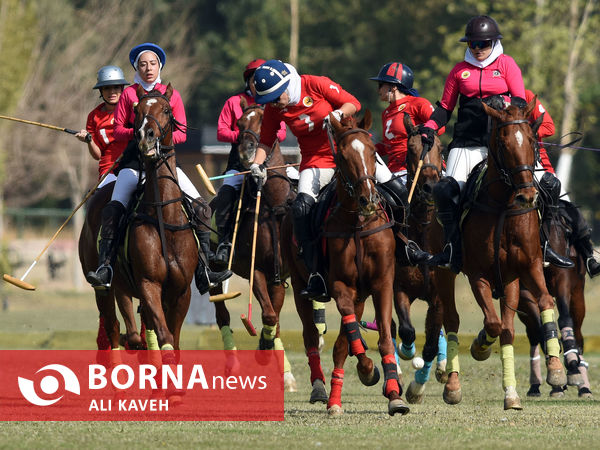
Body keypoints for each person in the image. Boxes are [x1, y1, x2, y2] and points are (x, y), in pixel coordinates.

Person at [251, 59, 428, 301]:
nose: (272, 103)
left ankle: (406, 246)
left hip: (352, 153)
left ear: (287, 85)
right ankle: (316, 274)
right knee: (302, 209)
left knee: (398, 193)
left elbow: (353, 103)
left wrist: (337, 113)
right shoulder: (274, 109)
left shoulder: (314, 84)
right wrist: (256, 164)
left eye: (274, 97)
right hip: (315, 162)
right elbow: (266, 140)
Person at [420, 15, 572, 273]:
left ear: (494, 42)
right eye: (473, 45)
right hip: (467, 143)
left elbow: (520, 101)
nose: (478, 50)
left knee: (549, 184)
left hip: (504, 145)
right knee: (445, 192)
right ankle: (452, 249)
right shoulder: (458, 70)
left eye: (483, 44)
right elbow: (445, 108)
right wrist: (430, 127)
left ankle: (545, 244)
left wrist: (504, 108)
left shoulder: (507, 64)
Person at [86, 42, 232, 293]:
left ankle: (206, 268)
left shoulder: (172, 95)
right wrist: (140, 135)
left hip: (165, 163)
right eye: (143, 64)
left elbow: (183, 133)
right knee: (112, 209)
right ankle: (106, 267)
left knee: (201, 207)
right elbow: (118, 129)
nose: (148, 68)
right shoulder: (130, 95)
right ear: (136, 68)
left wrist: (161, 139)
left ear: (159, 66)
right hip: (134, 164)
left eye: (152, 63)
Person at [212, 59, 287, 268]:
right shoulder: (234, 101)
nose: (259, 83)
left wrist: (263, 135)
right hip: (239, 163)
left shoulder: (274, 101)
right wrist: (244, 135)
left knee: (294, 194)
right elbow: (221, 131)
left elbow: (282, 131)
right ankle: (224, 244)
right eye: (255, 80)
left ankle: (299, 243)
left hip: (271, 163)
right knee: (226, 192)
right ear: (249, 82)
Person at [525, 89, 600, 277]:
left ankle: (589, 256)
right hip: (503, 166)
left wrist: (524, 131)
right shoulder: (487, 99)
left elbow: (549, 127)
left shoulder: (526, 96)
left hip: (539, 165)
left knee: (568, 207)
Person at [75, 65, 129, 186]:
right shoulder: (93, 116)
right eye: (106, 88)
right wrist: (89, 141)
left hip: (134, 163)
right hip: (109, 169)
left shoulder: (132, 109)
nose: (112, 92)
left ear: (122, 88)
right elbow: (97, 155)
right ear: (101, 91)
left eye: (116, 87)